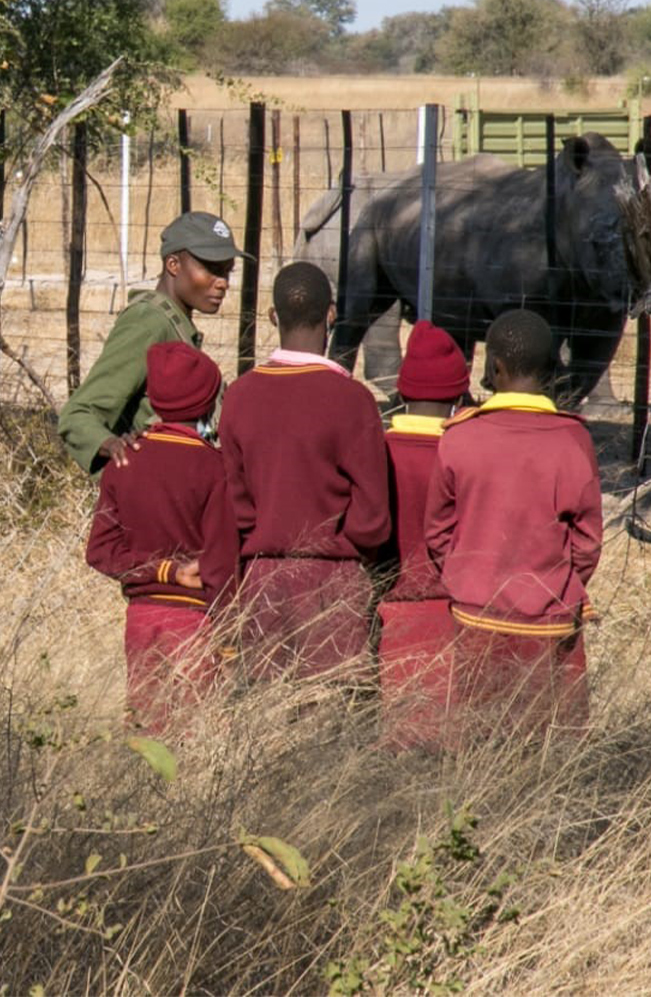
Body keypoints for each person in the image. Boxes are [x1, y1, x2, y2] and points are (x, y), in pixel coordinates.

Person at [423, 309, 601, 741]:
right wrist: (557, 584)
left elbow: (437, 531)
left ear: (495, 367)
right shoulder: (572, 439)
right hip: (550, 623)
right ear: (550, 369)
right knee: (549, 749)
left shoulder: (460, 436)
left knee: (477, 746)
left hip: (475, 618)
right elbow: (588, 540)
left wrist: (467, 576)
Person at [219, 261, 391, 682]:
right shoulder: (353, 400)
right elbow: (373, 517)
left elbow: (235, 504)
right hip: (334, 581)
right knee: (330, 720)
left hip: (261, 579)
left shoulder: (240, 396)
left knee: (268, 714)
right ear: (331, 314)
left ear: (273, 316)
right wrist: (347, 545)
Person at [86, 342, 239, 733]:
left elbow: (100, 552)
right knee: (195, 732)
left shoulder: (123, 459)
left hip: (140, 618)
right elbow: (222, 566)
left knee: (147, 732)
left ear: (153, 397)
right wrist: (230, 641)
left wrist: (163, 571)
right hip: (196, 620)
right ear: (207, 405)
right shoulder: (213, 466)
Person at [58, 211, 249, 477]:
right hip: (155, 499)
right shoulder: (147, 322)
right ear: (173, 264)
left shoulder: (175, 323)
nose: (223, 283)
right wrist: (115, 447)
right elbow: (78, 415)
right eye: (212, 269)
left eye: (227, 271)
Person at [376, 322, 470, 749]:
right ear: (458, 397)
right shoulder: (467, 455)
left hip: (386, 617)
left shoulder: (379, 450)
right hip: (454, 621)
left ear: (403, 392)